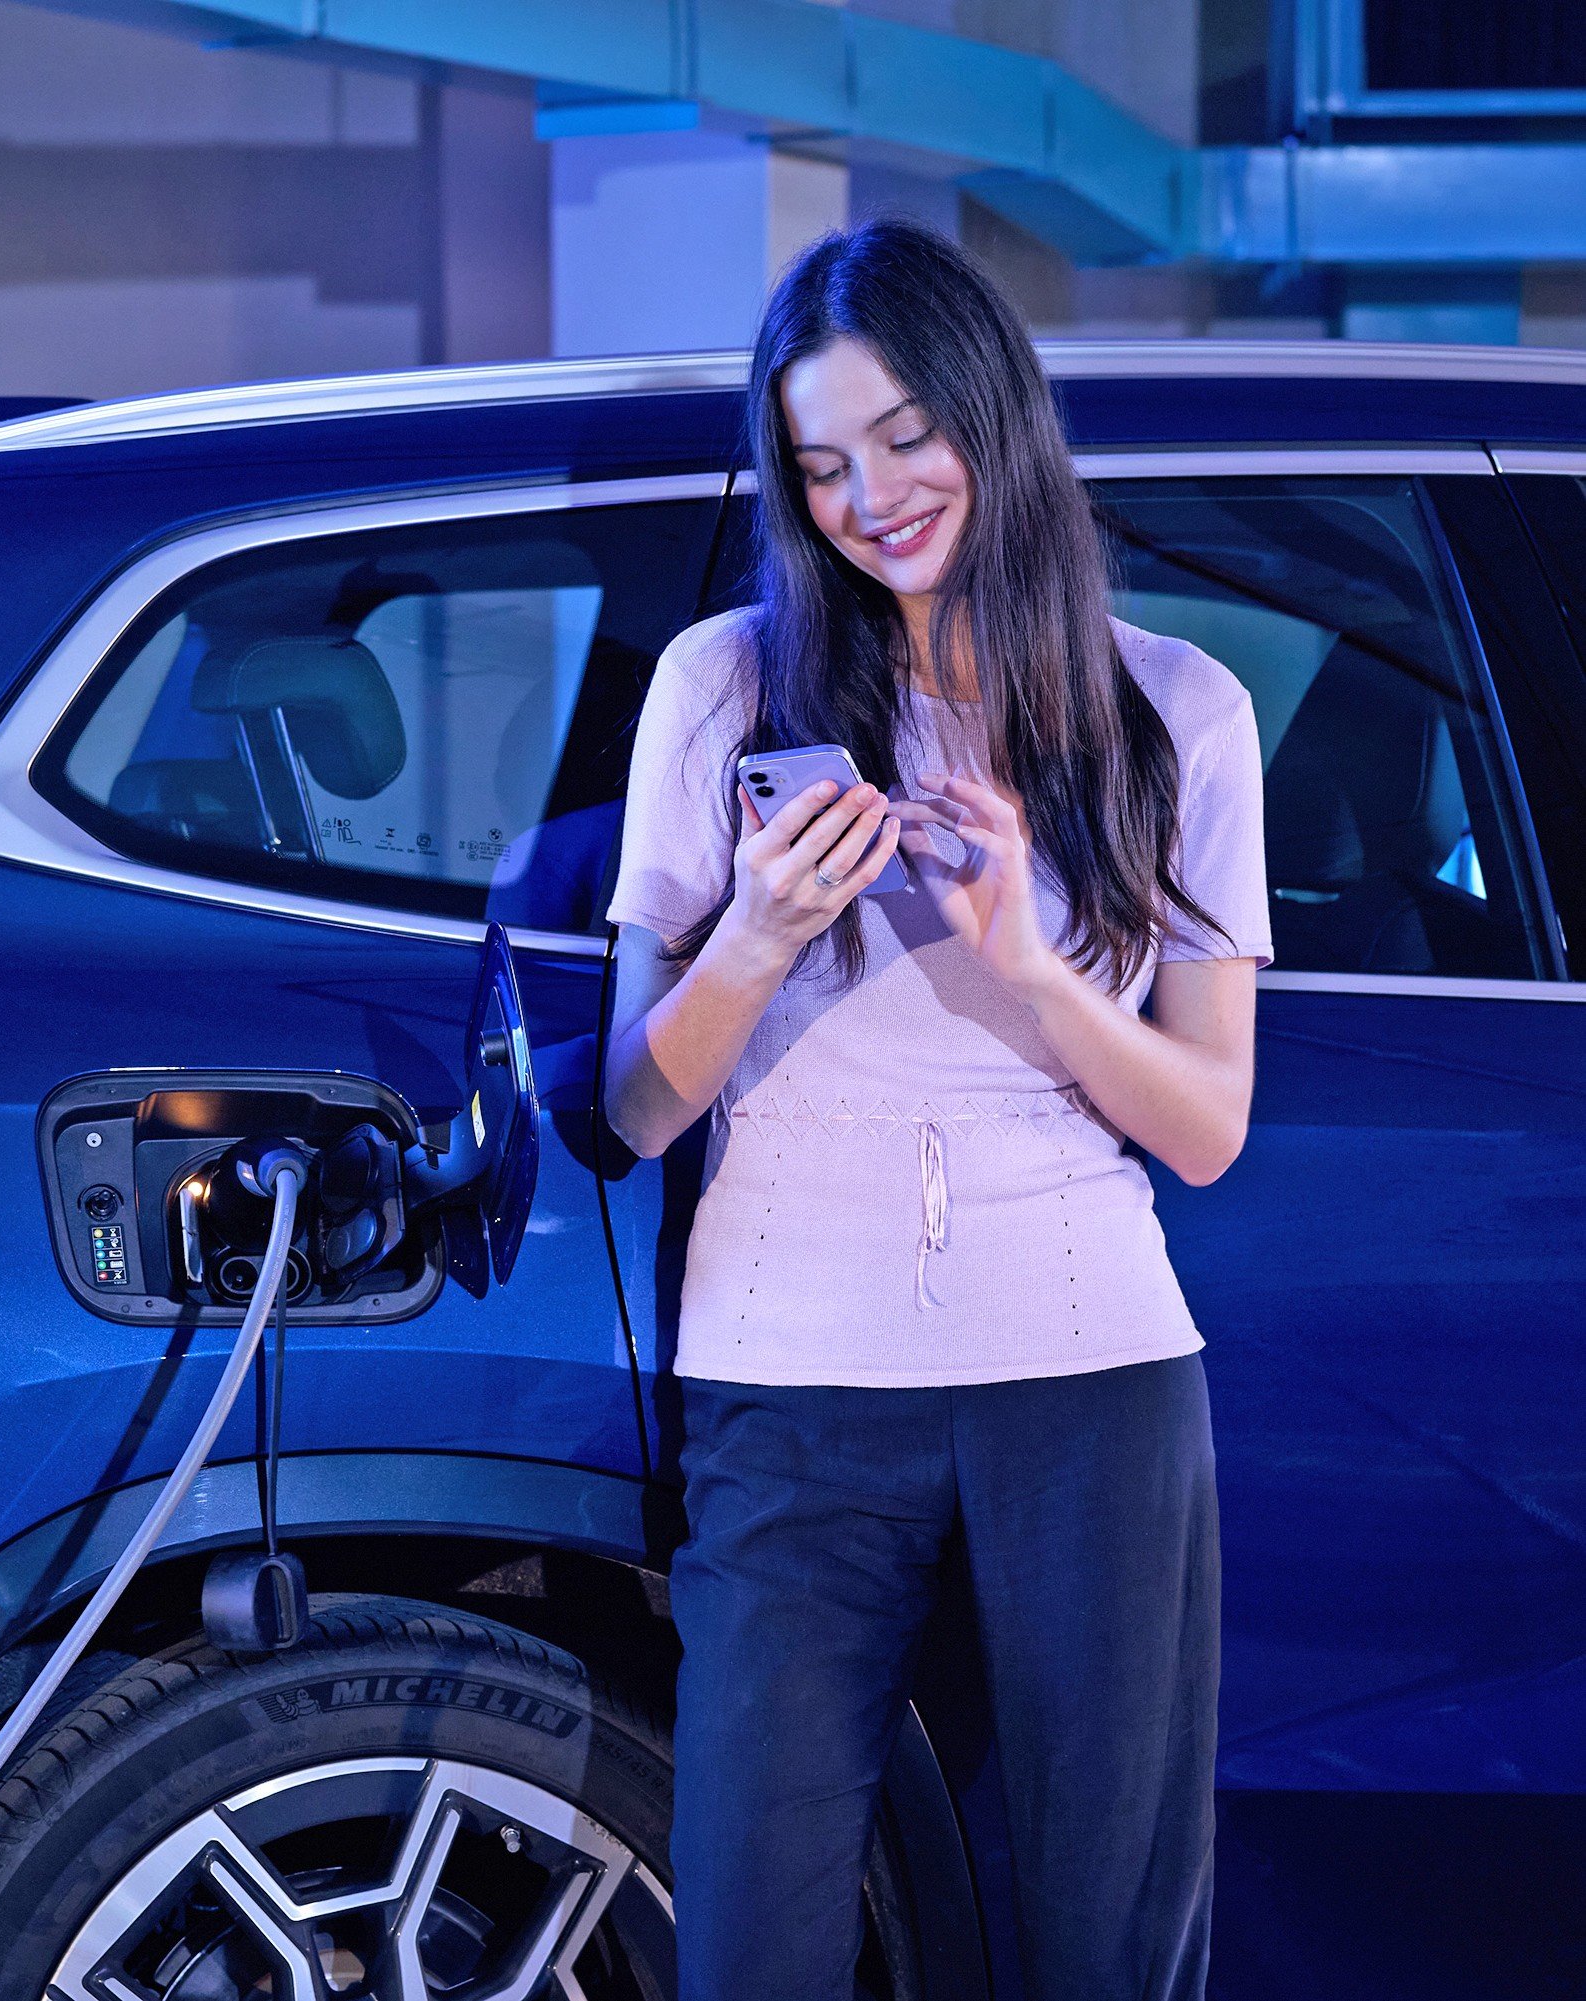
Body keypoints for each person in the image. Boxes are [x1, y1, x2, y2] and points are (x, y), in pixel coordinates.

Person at [603, 217, 1268, 2001]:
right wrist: (754, 934)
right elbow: (630, 1104)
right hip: (789, 1383)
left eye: (905, 435)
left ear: (994, 409)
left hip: (1091, 1371)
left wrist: (1027, 968)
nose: (871, 496)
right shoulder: (725, 684)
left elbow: (1206, 1126)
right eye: (821, 464)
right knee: (756, 1932)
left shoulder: (1175, 712)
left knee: (1108, 1945)